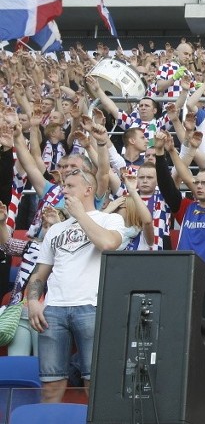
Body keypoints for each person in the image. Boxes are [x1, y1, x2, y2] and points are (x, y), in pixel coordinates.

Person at [26, 167, 133, 402]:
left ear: (88, 189)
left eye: (70, 186)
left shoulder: (110, 219)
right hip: (53, 309)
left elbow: (107, 244)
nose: (64, 190)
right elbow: (39, 274)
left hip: (91, 306)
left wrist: (80, 215)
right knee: (51, 385)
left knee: (94, 385)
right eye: (63, 186)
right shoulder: (55, 230)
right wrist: (32, 301)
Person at [154, 131, 205, 268]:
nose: (199, 186)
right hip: (184, 273)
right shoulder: (187, 208)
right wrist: (159, 152)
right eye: (197, 182)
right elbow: (166, 187)